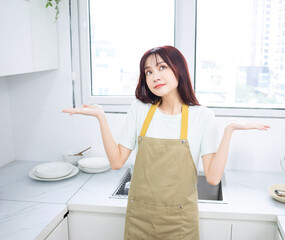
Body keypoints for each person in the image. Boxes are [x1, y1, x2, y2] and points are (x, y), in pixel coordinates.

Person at [63, 45, 270, 239]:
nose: (155, 76)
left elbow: (213, 178)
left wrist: (230, 129)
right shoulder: (139, 110)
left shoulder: (203, 117)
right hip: (139, 220)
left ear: (178, 69)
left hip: (180, 223)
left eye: (162, 67)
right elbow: (116, 162)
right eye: (148, 72)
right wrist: (101, 116)